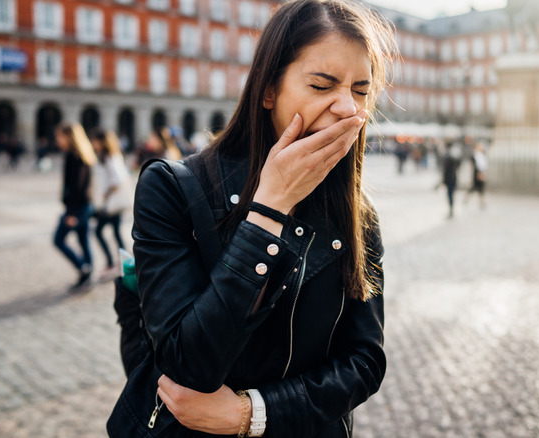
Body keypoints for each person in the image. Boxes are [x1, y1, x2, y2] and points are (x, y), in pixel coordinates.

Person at [107, 0, 394, 436]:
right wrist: (269, 209)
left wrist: (252, 413)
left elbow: (364, 361)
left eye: (360, 90)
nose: (347, 109)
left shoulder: (357, 213)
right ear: (268, 90)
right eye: (322, 85)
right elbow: (188, 363)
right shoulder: (172, 188)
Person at [53, 122, 97, 290]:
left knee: (58, 240)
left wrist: (71, 212)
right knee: (83, 240)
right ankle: (88, 274)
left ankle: (83, 269)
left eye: (60, 136)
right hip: (84, 205)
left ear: (68, 137)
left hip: (77, 208)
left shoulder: (73, 156)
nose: (57, 140)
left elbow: (77, 187)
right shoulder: (84, 155)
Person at [91, 129, 132, 277]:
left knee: (99, 232)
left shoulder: (109, 157)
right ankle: (123, 263)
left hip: (111, 204)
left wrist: (106, 193)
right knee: (115, 233)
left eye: (95, 140)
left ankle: (113, 262)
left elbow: (117, 179)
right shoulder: (107, 156)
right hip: (111, 203)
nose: (93, 143)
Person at [464, 141, 487, 209]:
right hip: (477, 173)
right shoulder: (475, 155)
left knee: (480, 188)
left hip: (481, 172)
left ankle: (481, 201)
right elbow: (476, 166)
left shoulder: (481, 155)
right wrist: (479, 174)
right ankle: (468, 198)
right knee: (475, 187)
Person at [442, 142, 461, 218]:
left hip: (449, 178)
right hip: (453, 177)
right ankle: (451, 209)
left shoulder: (447, 156)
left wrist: (443, 180)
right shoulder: (455, 156)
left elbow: (445, 170)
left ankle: (451, 209)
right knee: (451, 194)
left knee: (450, 194)